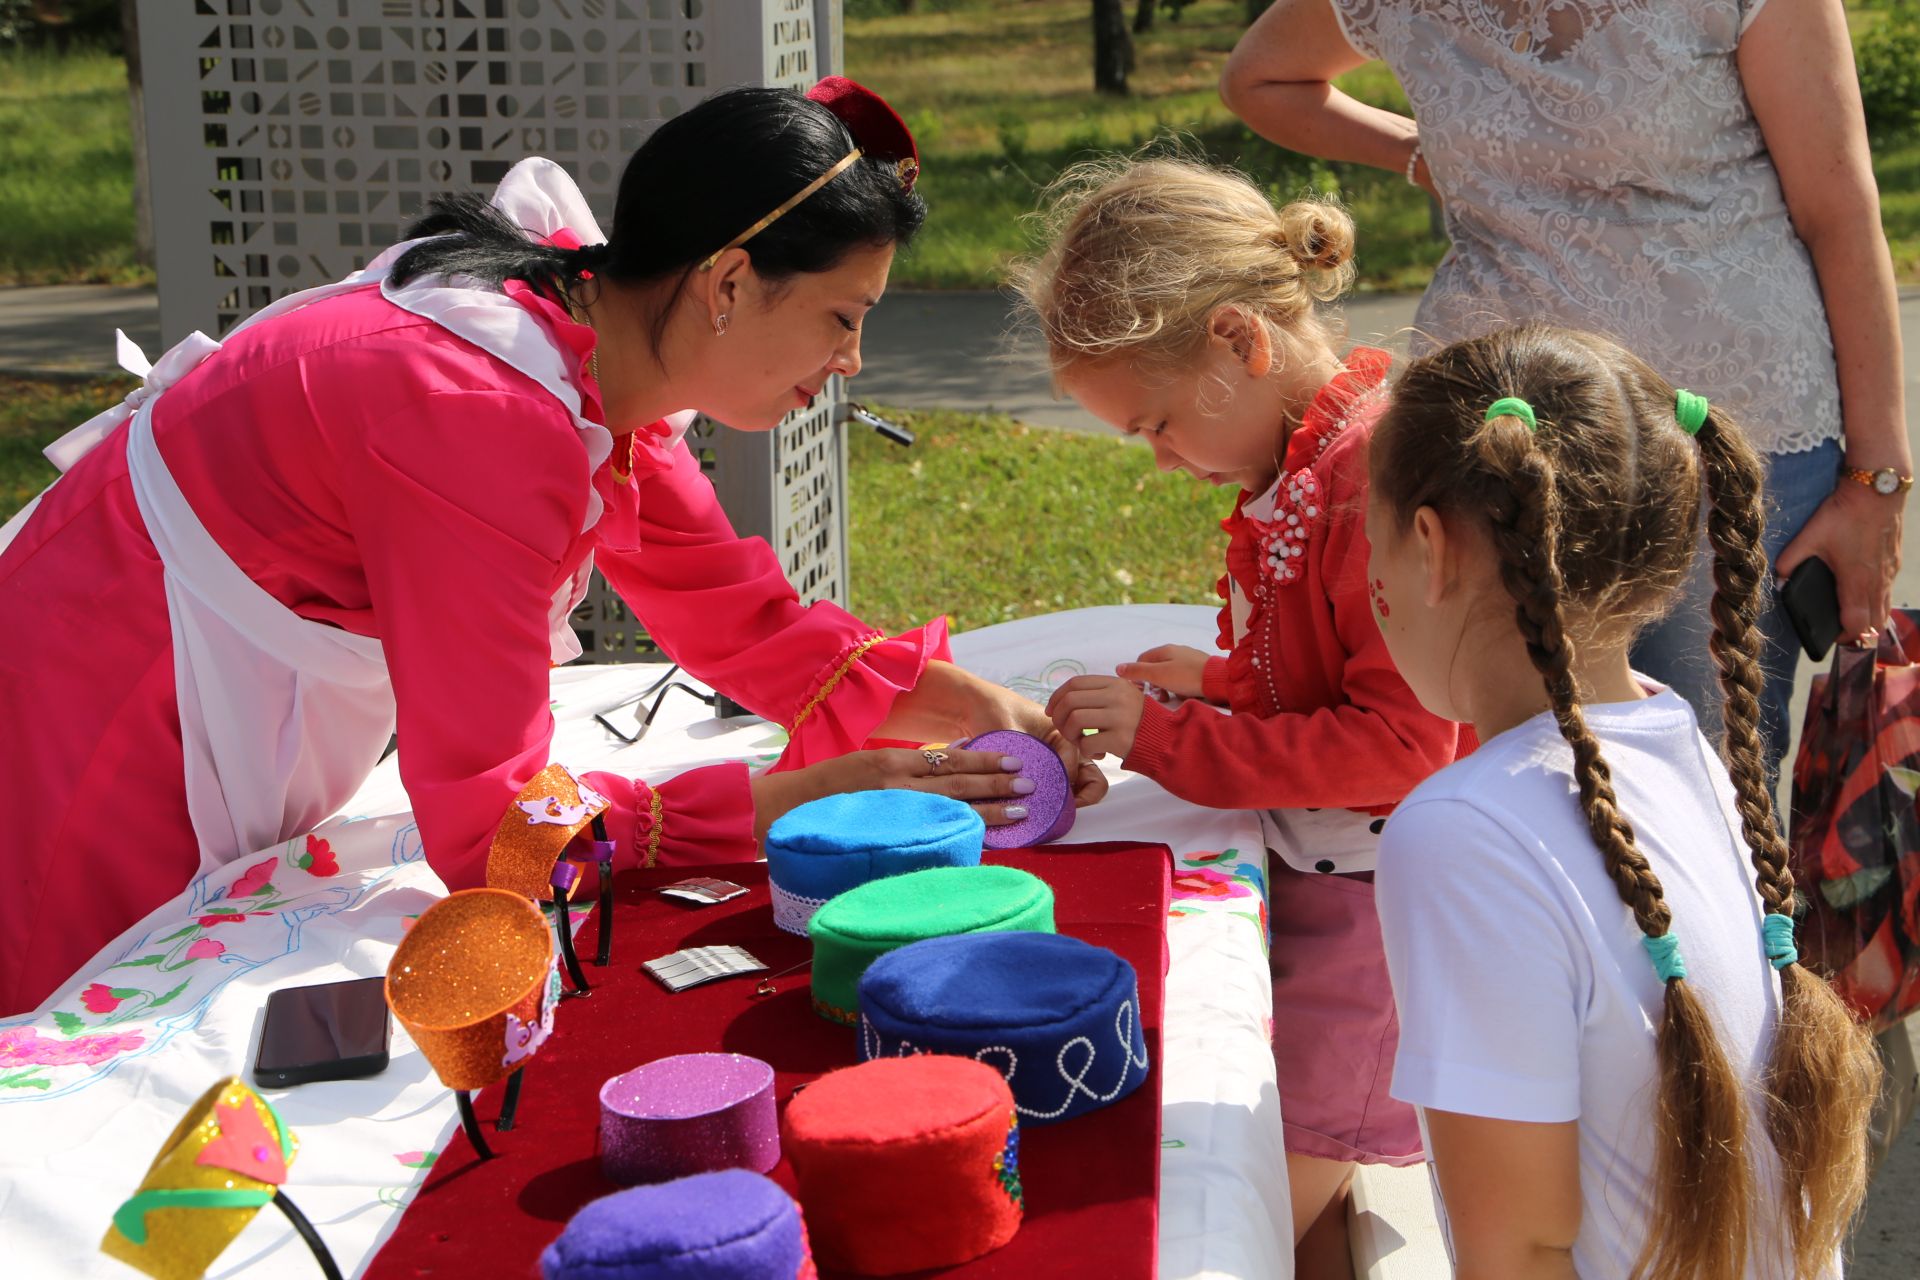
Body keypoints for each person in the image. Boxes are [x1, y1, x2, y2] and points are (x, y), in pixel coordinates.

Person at [0, 77, 1095, 1017]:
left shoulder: (596, 346)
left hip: (217, 667)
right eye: (843, 318)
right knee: (70, 1018)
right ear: (725, 283)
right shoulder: (483, 417)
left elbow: (731, 610)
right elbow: (495, 831)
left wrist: (965, 702)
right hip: (111, 683)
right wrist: (779, 804)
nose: (852, 360)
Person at [1222, 0, 1909, 773]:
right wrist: (1422, 154)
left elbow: (1841, 212)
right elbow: (1260, 78)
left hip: (1724, 436)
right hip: (1491, 441)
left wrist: (1878, 482)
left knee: (1702, 778)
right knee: (1507, 771)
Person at [1009, 156, 1470, 1277]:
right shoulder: (1312, 457)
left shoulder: (1369, 480)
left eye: (1157, 425)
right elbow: (1337, 666)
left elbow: (1401, 745)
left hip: (1380, 928)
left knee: (1253, 1207)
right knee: (1289, 1188)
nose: (1164, 457)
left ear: (1236, 341)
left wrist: (1169, 736)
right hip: (1342, 889)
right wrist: (1230, 681)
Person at [1365, 323, 1880, 1279]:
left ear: (1430, 549)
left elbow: (1517, 1251)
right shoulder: (1671, 730)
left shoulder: (1459, 836)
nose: (1370, 586)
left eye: (1370, 542)